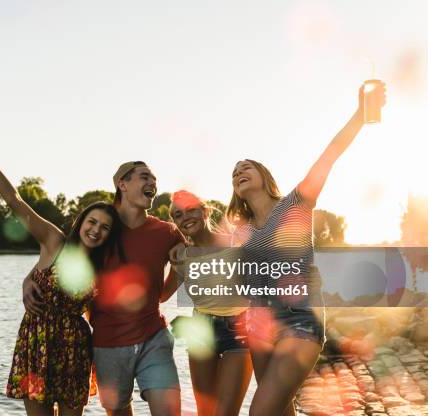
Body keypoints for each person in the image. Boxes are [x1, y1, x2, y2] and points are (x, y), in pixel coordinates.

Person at [226, 82, 386, 416]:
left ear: (264, 175)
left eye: (246, 166)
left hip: (300, 323)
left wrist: (360, 114)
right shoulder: (240, 232)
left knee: (260, 413)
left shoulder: (296, 204)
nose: (239, 172)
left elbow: (330, 154)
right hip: (259, 324)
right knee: (281, 411)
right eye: (234, 173)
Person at [0, 125, 124, 416]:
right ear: (81, 221)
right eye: (92, 222)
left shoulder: (103, 267)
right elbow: (15, 200)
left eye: (104, 227)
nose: (96, 230)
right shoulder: (55, 243)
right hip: (36, 340)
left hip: (75, 347)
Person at [25, 161, 185, 416]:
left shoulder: (167, 232)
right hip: (107, 343)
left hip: (153, 337)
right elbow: (61, 256)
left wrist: (178, 268)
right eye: (145, 177)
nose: (153, 183)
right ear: (122, 183)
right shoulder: (100, 228)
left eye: (155, 179)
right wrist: (29, 278)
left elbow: (172, 283)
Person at [162, 190, 252, 416]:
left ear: (205, 212)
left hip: (239, 332)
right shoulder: (182, 256)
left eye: (191, 210)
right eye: (178, 215)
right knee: (205, 412)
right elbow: (160, 296)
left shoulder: (237, 245)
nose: (185, 218)